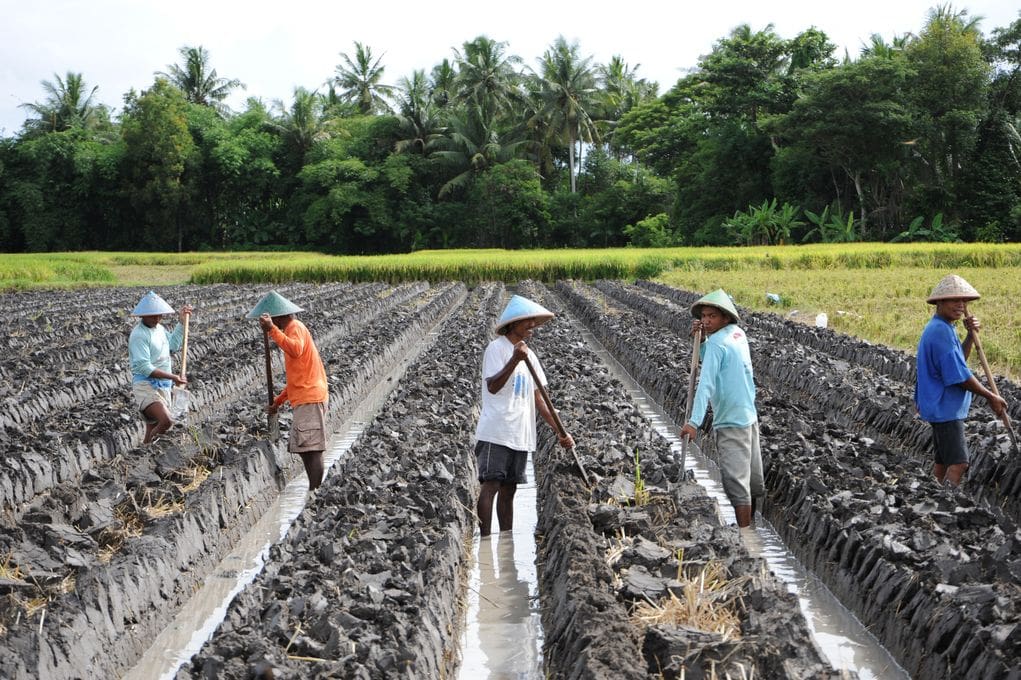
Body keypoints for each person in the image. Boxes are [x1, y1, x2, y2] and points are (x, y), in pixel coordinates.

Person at [474, 295, 574, 537]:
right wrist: (514, 360)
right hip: (497, 430)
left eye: (533, 321)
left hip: (520, 432)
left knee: (510, 490)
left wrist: (561, 433)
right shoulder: (496, 349)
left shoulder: (531, 356)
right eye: (527, 321)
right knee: (492, 485)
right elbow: (493, 386)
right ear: (513, 323)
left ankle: (505, 540)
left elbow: (540, 400)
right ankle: (486, 539)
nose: (532, 326)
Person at [679, 289, 763, 528]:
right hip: (749, 416)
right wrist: (702, 340)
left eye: (712, 316)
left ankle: (746, 537)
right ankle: (753, 528)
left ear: (725, 317)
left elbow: (705, 385)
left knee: (737, 486)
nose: (706, 321)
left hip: (730, 421)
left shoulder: (717, 343)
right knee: (751, 481)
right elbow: (718, 357)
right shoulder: (738, 334)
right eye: (704, 316)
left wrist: (693, 422)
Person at [915, 274, 1007, 486]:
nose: (961, 305)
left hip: (939, 406)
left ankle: (932, 497)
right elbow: (958, 376)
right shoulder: (940, 332)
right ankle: (946, 505)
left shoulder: (945, 327)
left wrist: (969, 335)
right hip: (945, 408)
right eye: (954, 300)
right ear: (939, 302)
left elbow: (958, 362)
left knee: (943, 462)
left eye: (964, 301)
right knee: (959, 464)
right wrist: (990, 396)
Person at [247, 291, 329, 491]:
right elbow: (295, 380)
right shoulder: (292, 328)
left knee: (311, 448)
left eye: (274, 319)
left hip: (310, 397)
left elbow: (296, 349)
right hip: (305, 396)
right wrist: (278, 402)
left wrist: (273, 330)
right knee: (304, 447)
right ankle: (315, 488)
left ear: (279, 316)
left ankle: (316, 491)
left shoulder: (295, 327)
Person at [128, 291, 192, 444]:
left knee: (153, 426)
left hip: (163, 386)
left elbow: (174, 345)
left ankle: (142, 454)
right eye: (152, 316)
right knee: (166, 421)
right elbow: (144, 367)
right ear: (142, 316)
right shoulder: (139, 336)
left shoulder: (160, 329)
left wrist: (182, 323)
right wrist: (173, 377)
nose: (157, 319)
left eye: (159, 315)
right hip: (145, 385)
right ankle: (147, 453)